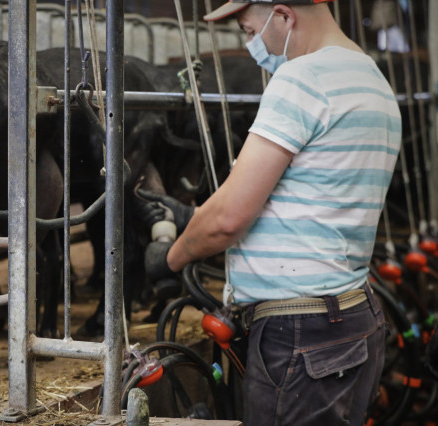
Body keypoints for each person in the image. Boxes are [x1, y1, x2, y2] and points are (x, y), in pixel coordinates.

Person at [140, 0, 401, 424]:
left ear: (283, 16)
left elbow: (229, 219)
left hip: (301, 334)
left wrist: (172, 256)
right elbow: (308, 195)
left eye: (247, 31)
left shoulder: (303, 78)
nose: (249, 46)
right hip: (355, 317)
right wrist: (194, 219)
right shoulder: (371, 78)